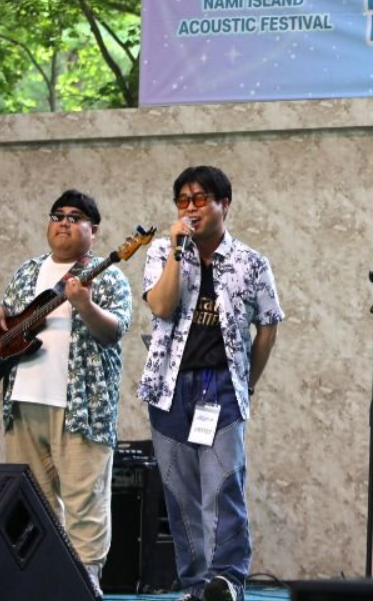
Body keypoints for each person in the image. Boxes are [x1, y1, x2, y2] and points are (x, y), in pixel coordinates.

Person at [139, 166, 283, 601]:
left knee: (222, 485)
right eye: (183, 200)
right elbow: (162, 307)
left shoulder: (252, 262)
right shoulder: (164, 251)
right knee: (180, 492)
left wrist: (246, 384)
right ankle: (195, 584)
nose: (191, 208)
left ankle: (227, 580)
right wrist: (176, 252)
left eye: (201, 199)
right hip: (169, 388)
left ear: (225, 204)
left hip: (220, 386)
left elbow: (268, 326)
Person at [0, 189, 133, 595]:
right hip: (23, 403)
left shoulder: (108, 274)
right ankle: (40, 581)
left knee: (85, 503)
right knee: (32, 504)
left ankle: (86, 584)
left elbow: (114, 331)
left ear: (93, 231)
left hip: (82, 409)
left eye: (76, 216)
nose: (64, 221)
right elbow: (6, 321)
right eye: (57, 215)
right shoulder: (27, 271)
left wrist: (83, 304)